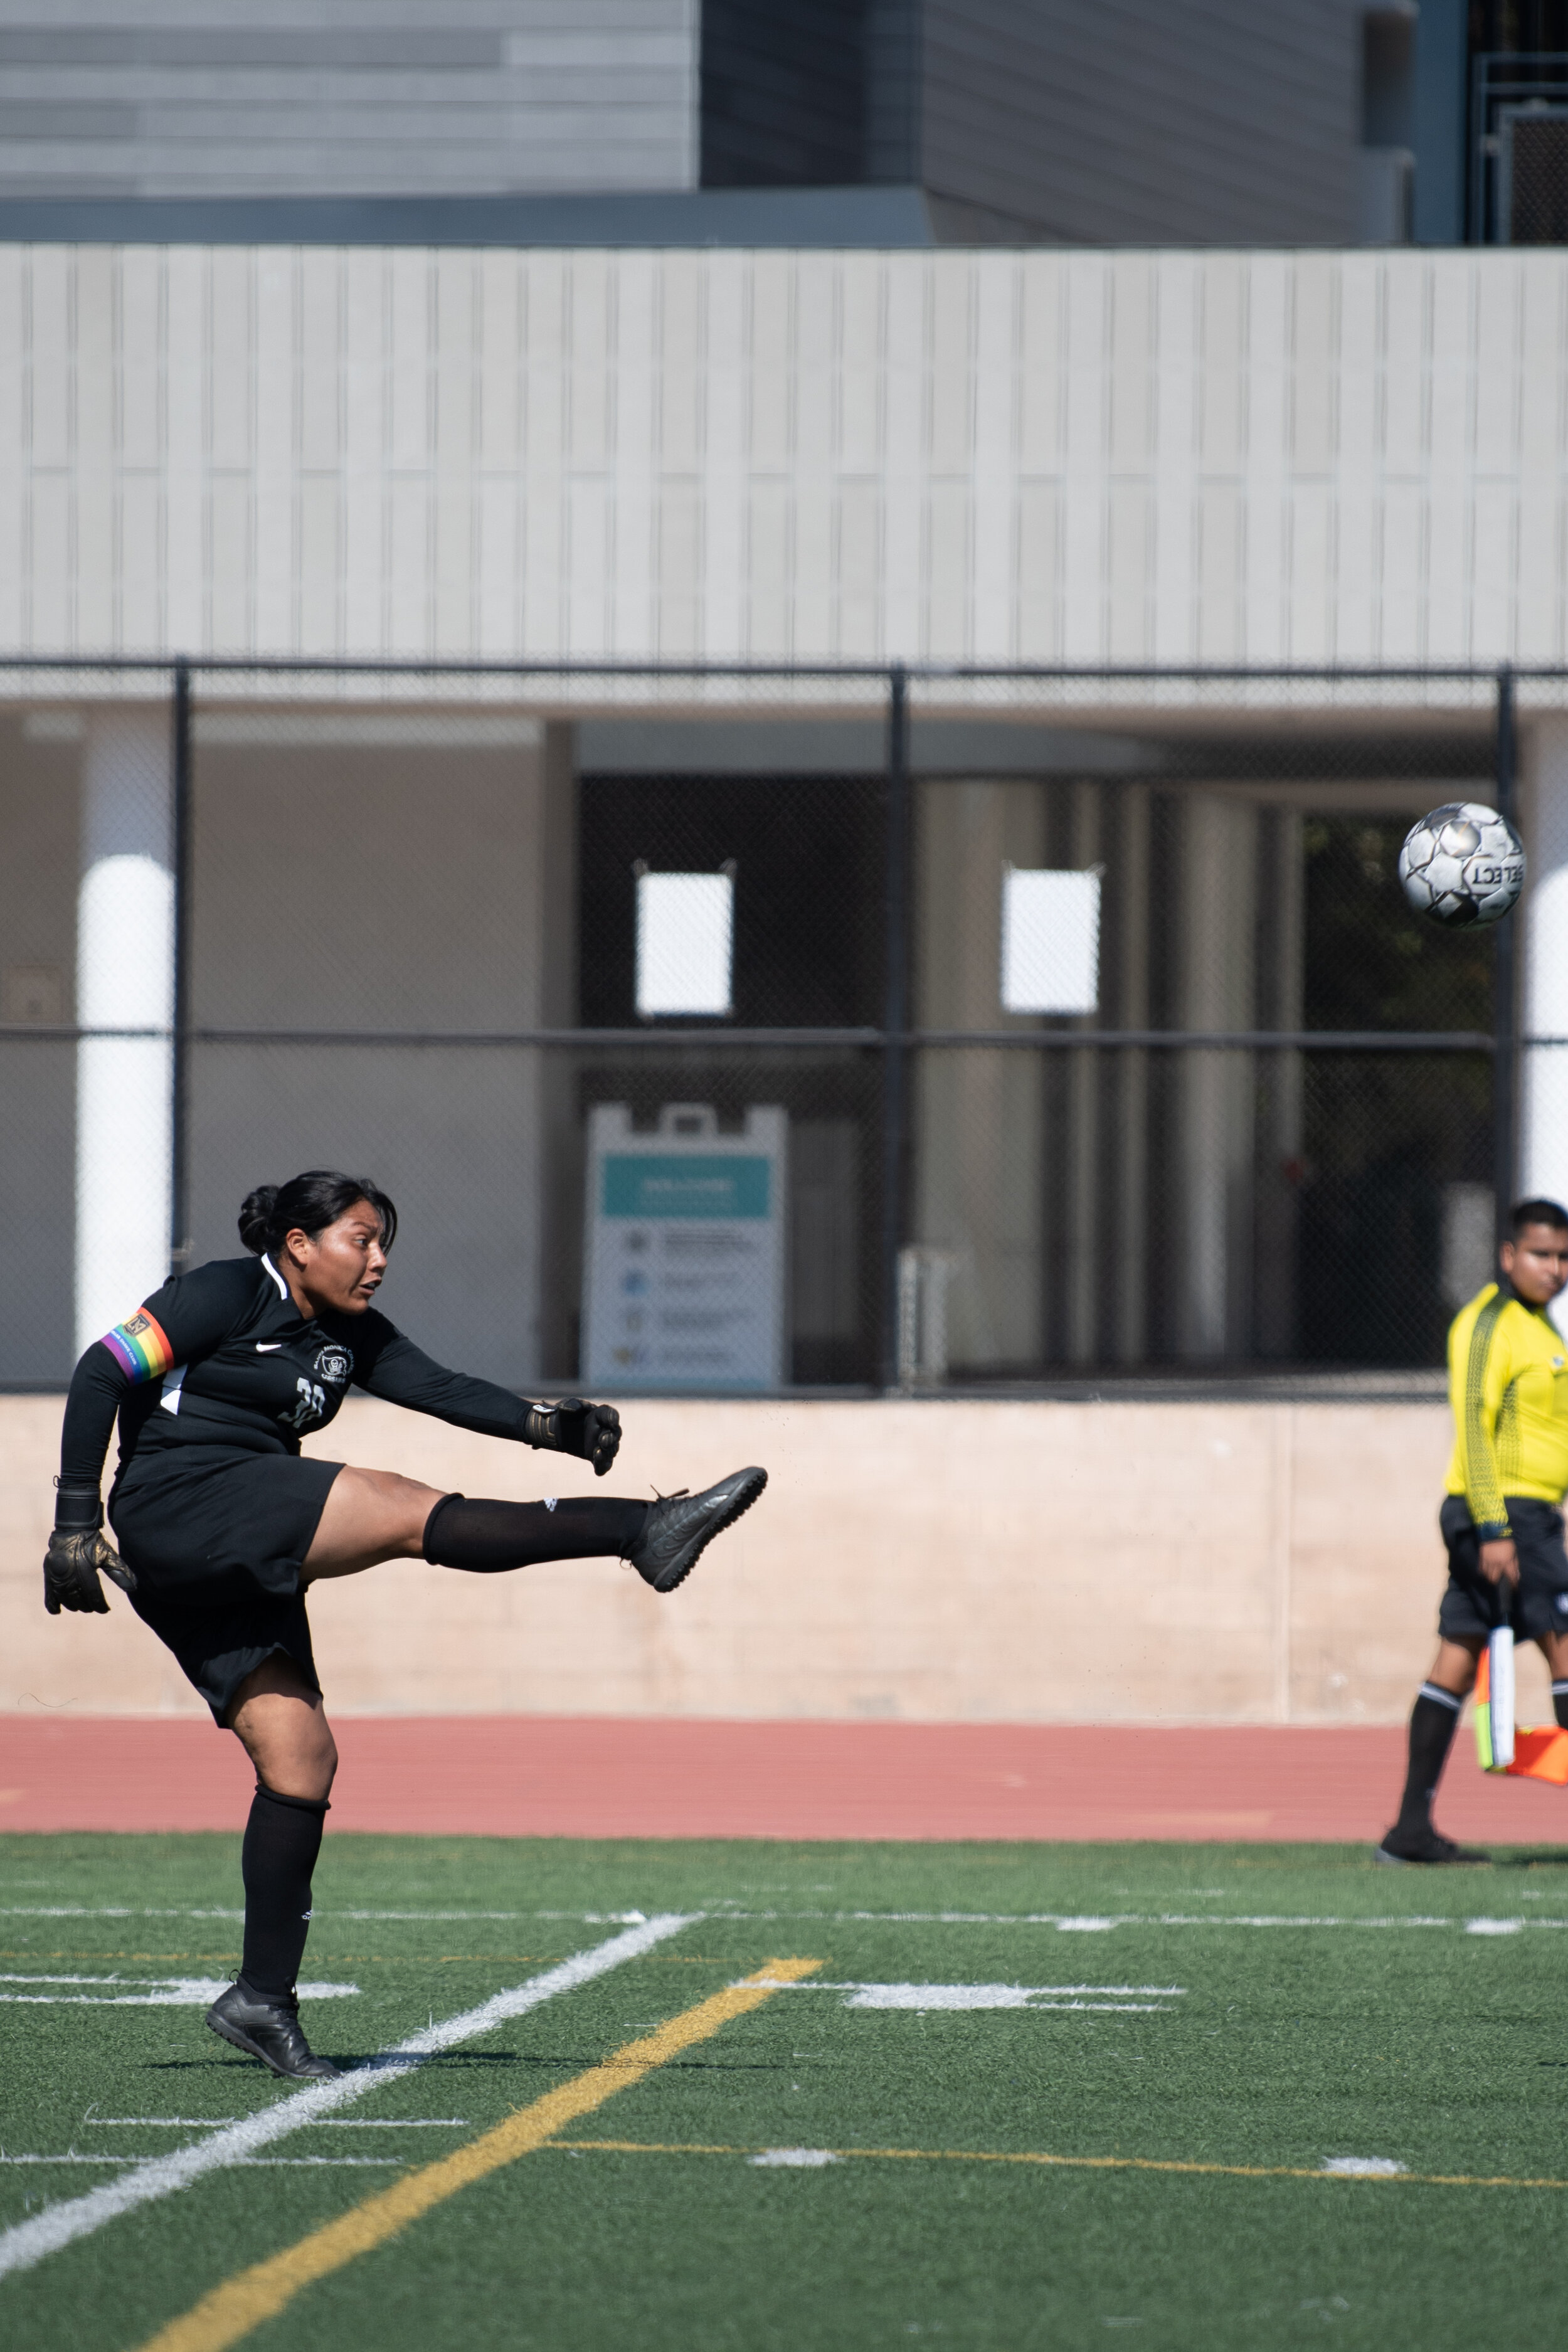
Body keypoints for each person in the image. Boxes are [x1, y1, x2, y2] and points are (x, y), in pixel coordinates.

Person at [45, 1169, 766, 2076]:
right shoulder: (224, 1290)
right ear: (299, 1244)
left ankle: (261, 1998)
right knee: (398, 1506)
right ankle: (639, 1529)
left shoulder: (350, 1332)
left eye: (384, 1241)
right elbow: (101, 1368)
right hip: (182, 1502)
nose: (378, 1259)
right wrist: (76, 1518)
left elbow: (442, 1387)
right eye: (360, 1238)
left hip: (240, 1530)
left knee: (301, 1760)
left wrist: (549, 1425)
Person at [1377, 1197, 1568, 1865]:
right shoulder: (1487, 1324)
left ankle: (1407, 1833)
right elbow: (1476, 1436)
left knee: (1455, 1662)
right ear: (1508, 1256)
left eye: (1563, 1257)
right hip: (1505, 1516)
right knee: (1564, 1642)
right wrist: (1494, 1526)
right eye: (1540, 1255)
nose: (1554, 1268)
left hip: (1529, 1515)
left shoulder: (1540, 1328)